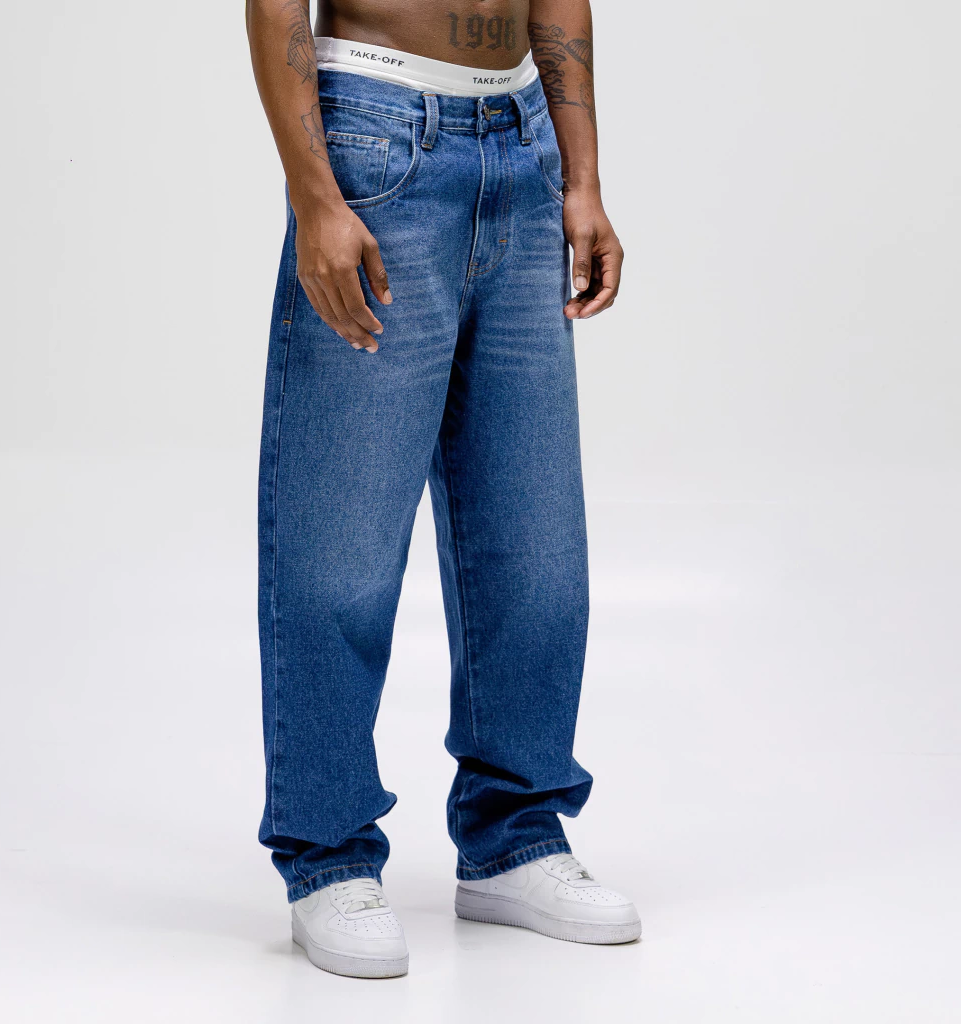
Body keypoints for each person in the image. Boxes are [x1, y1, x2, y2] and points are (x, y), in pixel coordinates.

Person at [246, 0, 640, 978]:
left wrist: (582, 179)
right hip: (378, 139)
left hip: (523, 147)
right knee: (340, 541)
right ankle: (328, 855)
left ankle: (516, 836)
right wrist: (315, 197)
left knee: (534, 540)